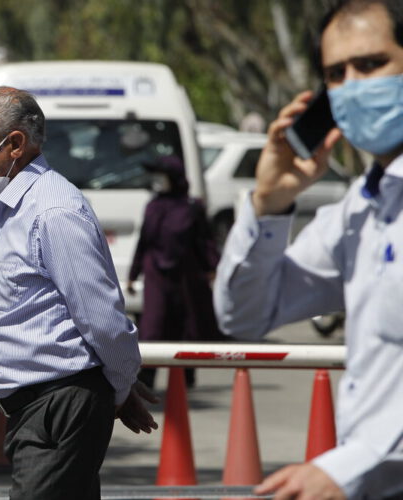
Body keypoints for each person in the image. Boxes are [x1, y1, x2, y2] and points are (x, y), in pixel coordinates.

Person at [213, 1, 403, 498]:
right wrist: (271, 204)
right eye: (336, 74)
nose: (354, 86)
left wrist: (346, 468)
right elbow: (245, 314)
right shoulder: (360, 210)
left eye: (371, 64)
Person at [0, 87, 158, 500]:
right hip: (41, 408)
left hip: (57, 406)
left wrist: (121, 388)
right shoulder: (17, 205)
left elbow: (102, 318)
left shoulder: (52, 211)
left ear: (14, 144)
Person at [126, 156, 222, 389]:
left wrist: (211, 267)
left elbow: (204, 240)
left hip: (186, 276)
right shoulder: (153, 206)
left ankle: (185, 375)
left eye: (163, 176)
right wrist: (133, 273)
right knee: (154, 325)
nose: (158, 181)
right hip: (156, 275)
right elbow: (144, 241)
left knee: (187, 325)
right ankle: (146, 377)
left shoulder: (191, 207)